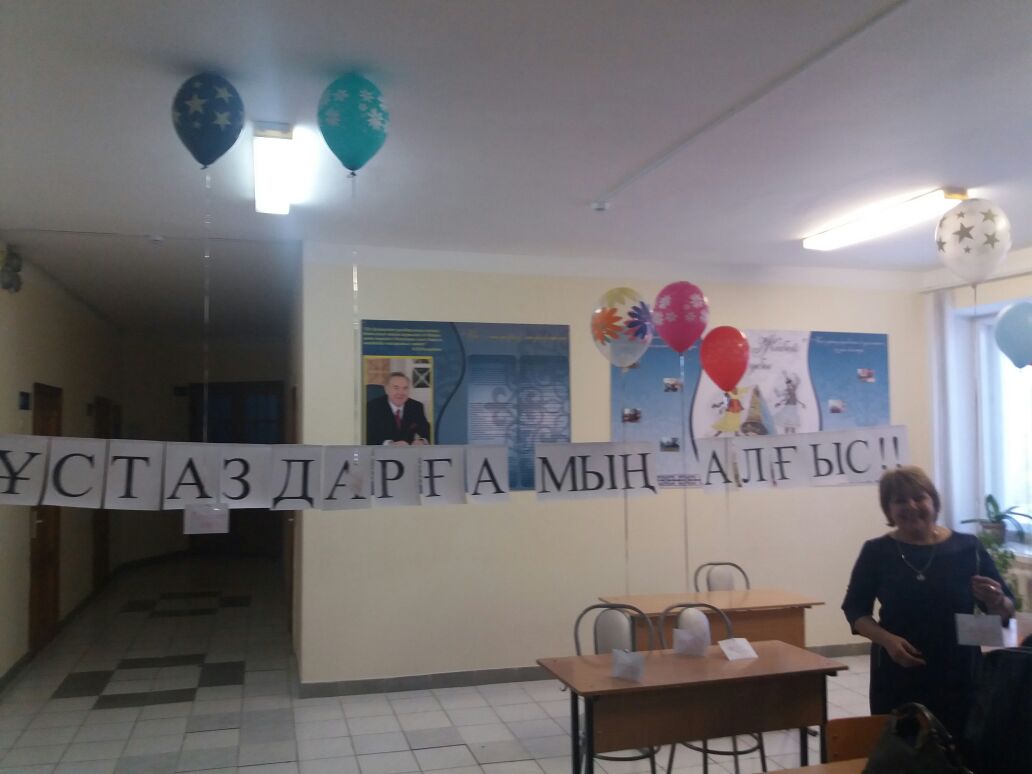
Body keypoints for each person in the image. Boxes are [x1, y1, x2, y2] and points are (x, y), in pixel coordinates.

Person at [841, 466, 1014, 738]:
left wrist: (996, 600)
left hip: (959, 673)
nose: (911, 506)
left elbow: (1005, 609)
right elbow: (854, 610)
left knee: (962, 748)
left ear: (933, 501)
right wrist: (887, 640)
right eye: (900, 500)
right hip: (899, 670)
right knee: (904, 750)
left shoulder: (968, 547)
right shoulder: (876, 552)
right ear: (888, 510)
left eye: (919, 497)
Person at [366, 371, 431, 446]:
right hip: (381, 452)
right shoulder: (372, 407)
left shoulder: (416, 406)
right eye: (396, 388)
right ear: (386, 389)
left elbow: (429, 433)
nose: (401, 393)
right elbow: (368, 437)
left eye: (405, 388)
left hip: (408, 452)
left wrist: (422, 441)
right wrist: (389, 444)